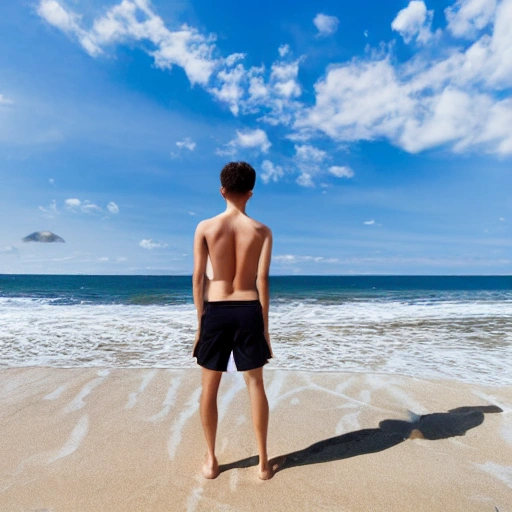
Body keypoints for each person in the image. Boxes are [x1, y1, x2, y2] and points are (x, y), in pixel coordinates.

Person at [192, 161, 274, 480]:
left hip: (217, 309)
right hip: (248, 309)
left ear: (222, 190)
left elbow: (199, 278)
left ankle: (212, 461)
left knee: (208, 388)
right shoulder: (262, 231)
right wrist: (265, 329)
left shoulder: (206, 227)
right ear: (250, 194)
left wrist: (201, 323)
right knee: (255, 385)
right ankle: (264, 463)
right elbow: (263, 280)